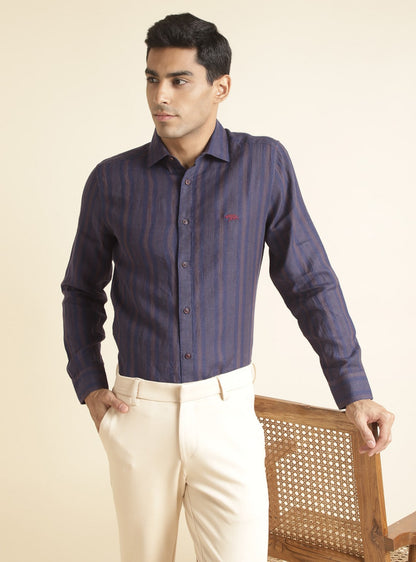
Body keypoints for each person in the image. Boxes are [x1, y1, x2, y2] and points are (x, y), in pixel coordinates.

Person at [61, 12, 394, 562]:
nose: (160, 96)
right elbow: (80, 290)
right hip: (137, 413)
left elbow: (309, 282)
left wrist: (353, 390)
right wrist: (90, 385)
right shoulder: (112, 180)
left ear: (221, 87)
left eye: (179, 80)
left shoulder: (262, 164)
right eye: (152, 79)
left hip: (227, 412)